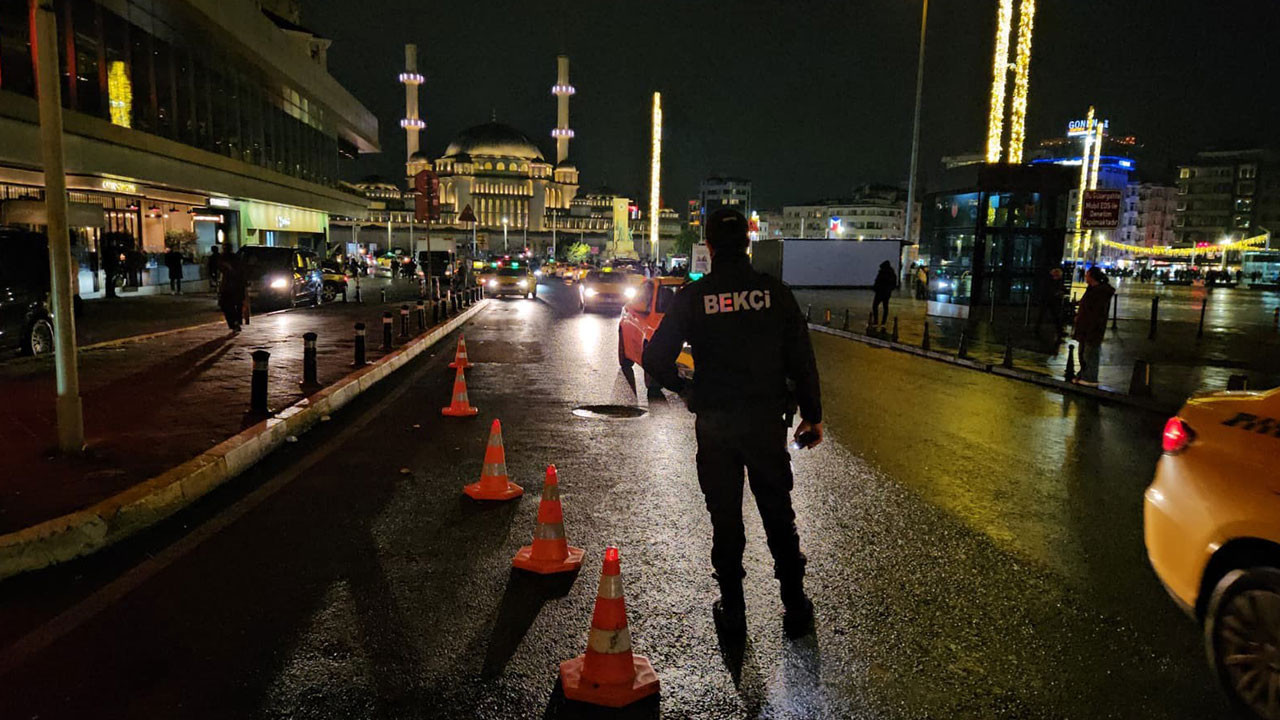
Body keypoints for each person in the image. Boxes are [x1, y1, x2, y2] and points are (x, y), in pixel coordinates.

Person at [642, 207, 822, 638]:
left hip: (716, 425)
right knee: (779, 515)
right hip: (764, 424)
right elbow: (802, 358)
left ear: (708, 246)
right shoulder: (774, 293)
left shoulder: (695, 297)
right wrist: (811, 415)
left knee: (726, 520)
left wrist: (687, 390)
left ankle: (735, 612)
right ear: (747, 243)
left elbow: (654, 358)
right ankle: (795, 609)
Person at [1072, 266, 1114, 388]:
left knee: (1090, 353)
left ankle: (1090, 377)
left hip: (1092, 328)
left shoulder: (1099, 292)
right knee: (1083, 352)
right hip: (1084, 326)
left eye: (1087, 275)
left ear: (1092, 277)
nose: (1085, 277)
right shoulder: (1091, 290)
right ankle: (1083, 374)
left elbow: (1095, 312)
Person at [217, 245, 246, 332]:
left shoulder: (224, 259)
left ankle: (234, 323)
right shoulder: (236, 258)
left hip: (228, 287)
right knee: (236, 305)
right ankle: (237, 321)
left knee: (228, 306)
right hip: (235, 286)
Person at [1035, 267, 1066, 336]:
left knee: (1045, 315)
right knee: (1052, 316)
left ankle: (1037, 329)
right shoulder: (1051, 281)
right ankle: (1059, 330)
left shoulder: (1048, 281)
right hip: (1049, 300)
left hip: (1049, 300)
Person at [872, 260, 898, 327]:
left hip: (880, 292)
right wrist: (890, 290)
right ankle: (883, 322)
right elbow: (894, 284)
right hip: (887, 293)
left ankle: (876, 321)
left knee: (875, 306)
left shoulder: (882, 272)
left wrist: (875, 288)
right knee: (885, 307)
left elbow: (877, 281)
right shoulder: (892, 274)